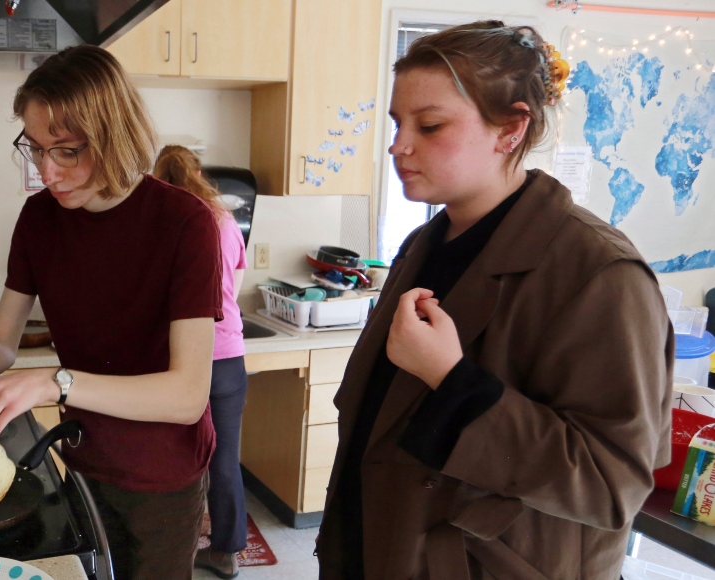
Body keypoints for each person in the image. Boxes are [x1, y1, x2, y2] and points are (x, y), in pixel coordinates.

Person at [316, 21, 673, 579]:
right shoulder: (421, 246)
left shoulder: (599, 273)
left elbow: (612, 486)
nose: (398, 145)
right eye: (397, 122)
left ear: (510, 130)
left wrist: (453, 381)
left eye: (429, 125)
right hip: (377, 544)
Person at [0, 46, 224, 580]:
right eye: (34, 150)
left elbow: (186, 396)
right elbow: (0, 343)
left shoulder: (184, 224)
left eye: (67, 151)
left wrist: (53, 382)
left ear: (114, 133)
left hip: (161, 475)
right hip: (80, 457)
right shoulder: (39, 220)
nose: (47, 173)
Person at [154, 145, 249, 579]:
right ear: (197, 172)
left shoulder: (165, 220)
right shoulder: (226, 220)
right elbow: (238, 281)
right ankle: (226, 551)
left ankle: (174, 549)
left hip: (182, 357)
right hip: (228, 353)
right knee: (224, 459)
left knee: (175, 458)